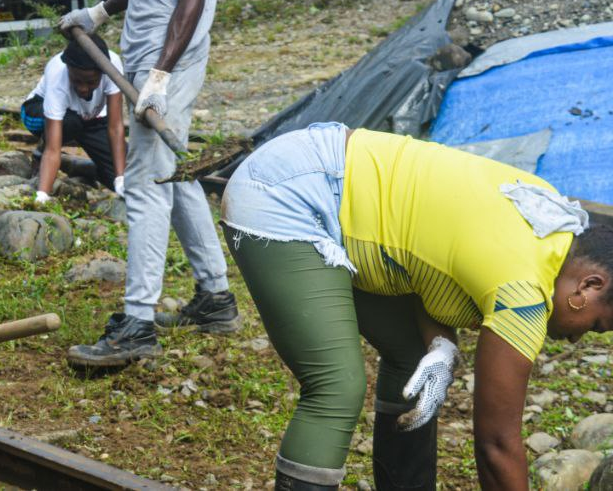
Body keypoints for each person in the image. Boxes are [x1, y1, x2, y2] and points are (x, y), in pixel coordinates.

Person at [223, 123, 613, 490]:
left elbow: (430, 254)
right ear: (589, 285)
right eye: (594, 325)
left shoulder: (549, 217)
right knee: (336, 387)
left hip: (333, 190)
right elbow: (496, 444)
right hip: (286, 194)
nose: (578, 339)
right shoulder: (524, 293)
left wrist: (440, 344)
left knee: (414, 360)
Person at [61, 0, 238, 369]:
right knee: (173, 174)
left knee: (141, 183)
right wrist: (101, 13)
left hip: (172, 57)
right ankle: (214, 295)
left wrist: (161, 73)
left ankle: (138, 321)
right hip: (144, 54)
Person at [20, 33, 126, 201]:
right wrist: (42, 197)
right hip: (39, 112)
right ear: (68, 70)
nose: (83, 88)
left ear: (102, 73)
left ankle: (82, 168)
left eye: (91, 82)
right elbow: (53, 149)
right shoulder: (57, 74)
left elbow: (115, 127)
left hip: (90, 118)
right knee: (70, 123)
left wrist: (121, 179)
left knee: (125, 176)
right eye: (76, 81)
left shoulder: (112, 66)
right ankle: (40, 155)